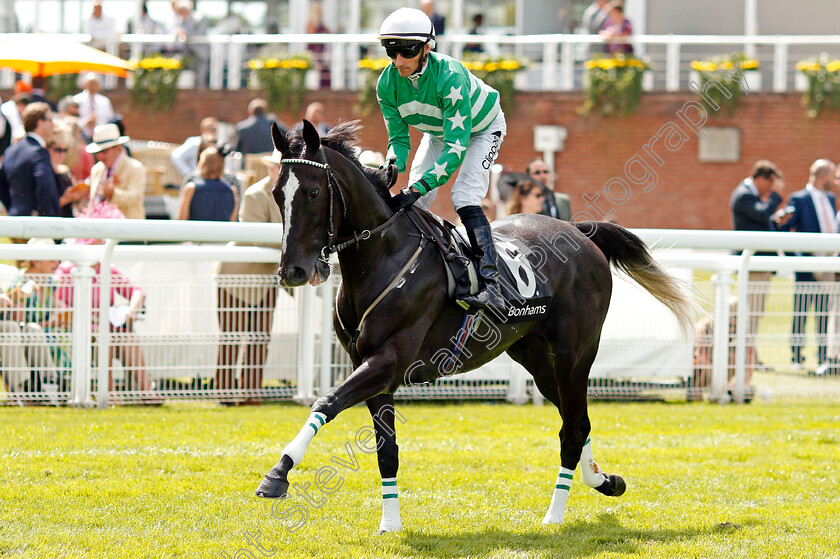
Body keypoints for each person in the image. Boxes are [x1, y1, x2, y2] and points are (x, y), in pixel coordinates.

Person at [377, 7, 507, 313]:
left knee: (464, 196)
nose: (398, 62)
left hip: (482, 130)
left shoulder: (449, 77)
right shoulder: (386, 85)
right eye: (391, 53)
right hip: (438, 134)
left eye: (406, 52)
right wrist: (392, 164)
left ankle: (492, 284)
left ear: (426, 48)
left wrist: (420, 186)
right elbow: (398, 139)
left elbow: (455, 149)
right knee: (416, 203)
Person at [55, 205, 151, 394]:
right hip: (78, 329)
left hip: (107, 327)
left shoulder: (107, 267)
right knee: (102, 335)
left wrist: (132, 309)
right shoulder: (67, 269)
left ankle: (146, 391)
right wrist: (93, 322)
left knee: (127, 337)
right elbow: (61, 307)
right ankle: (108, 393)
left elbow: (136, 291)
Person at [214, 149, 283, 404]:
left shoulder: (289, 195)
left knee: (260, 338)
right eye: (279, 166)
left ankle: (251, 394)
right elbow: (257, 237)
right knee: (232, 337)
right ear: (271, 169)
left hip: (265, 278)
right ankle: (224, 393)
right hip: (237, 276)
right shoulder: (255, 194)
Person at [775, 159, 837, 371]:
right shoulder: (799, 198)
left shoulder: (831, 198)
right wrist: (797, 258)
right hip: (807, 264)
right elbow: (785, 229)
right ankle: (797, 357)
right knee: (801, 310)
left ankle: (822, 356)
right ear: (824, 176)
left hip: (827, 264)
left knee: (824, 312)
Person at [730, 159, 785, 367]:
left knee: (755, 313)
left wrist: (777, 221)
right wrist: (776, 196)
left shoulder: (752, 197)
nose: (771, 190)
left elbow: (763, 220)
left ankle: (751, 357)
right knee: (750, 313)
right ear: (762, 178)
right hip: (753, 266)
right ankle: (747, 358)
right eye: (771, 184)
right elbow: (762, 213)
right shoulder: (743, 195)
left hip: (760, 265)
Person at [0, 238, 64, 396]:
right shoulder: (19, 282)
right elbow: (15, 318)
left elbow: (59, 308)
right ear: (35, 260)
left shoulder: (50, 283)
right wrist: (22, 297)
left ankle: (50, 384)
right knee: (13, 327)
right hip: (14, 327)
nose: (56, 263)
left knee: (34, 329)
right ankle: (23, 388)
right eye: (52, 259)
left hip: (38, 330)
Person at [0, 102, 60, 217]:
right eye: (50, 120)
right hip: (34, 221)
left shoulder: (11, 150)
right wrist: (43, 214)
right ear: (40, 122)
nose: (53, 124)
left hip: (16, 216)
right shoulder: (38, 152)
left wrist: (13, 207)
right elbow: (45, 186)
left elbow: (1, 183)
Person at [692, 296, 756, 399]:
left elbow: (750, 354)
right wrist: (723, 382)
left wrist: (745, 383)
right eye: (734, 318)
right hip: (697, 365)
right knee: (703, 364)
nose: (734, 326)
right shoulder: (707, 326)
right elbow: (700, 357)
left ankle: (728, 391)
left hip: (716, 364)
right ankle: (695, 392)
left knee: (735, 356)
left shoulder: (740, 328)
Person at [86, 123, 146, 219]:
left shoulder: (135, 168)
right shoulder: (96, 169)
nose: (101, 156)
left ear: (117, 148)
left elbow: (135, 198)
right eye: (98, 152)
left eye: (104, 151)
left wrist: (113, 194)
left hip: (127, 230)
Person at [176, 147, 237, 221]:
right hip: (221, 232)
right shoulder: (232, 191)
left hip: (196, 232)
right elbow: (233, 221)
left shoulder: (191, 189)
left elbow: (181, 220)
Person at [47, 129, 88, 217]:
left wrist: (78, 196)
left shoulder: (65, 171)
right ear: (47, 149)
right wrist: (65, 199)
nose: (62, 154)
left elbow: (77, 204)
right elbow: (45, 207)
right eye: (58, 150)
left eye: (65, 150)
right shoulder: (44, 173)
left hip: (68, 220)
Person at [73, 73, 115, 140]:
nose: (92, 86)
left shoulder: (105, 101)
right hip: (82, 138)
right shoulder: (76, 100)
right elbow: (72, 120)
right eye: (90, 83)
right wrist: (85, 123)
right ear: (84, 84)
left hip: (101, 137)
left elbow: (110, 119)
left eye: (95, 83)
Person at [306, 1, 331, 89]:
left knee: (324, 70)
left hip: (322, 50)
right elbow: (313, 36)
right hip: (315, 50)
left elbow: (328, 32)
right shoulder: (311, 23)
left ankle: (325, 88)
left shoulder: (321, 24)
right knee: (316, 72)